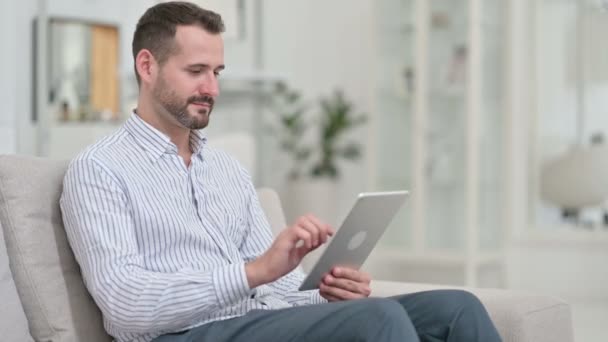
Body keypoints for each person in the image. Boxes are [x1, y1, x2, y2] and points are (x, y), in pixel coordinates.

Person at [60, 2, 502, 342]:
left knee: (456, 308)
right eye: (195, 71)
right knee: (379, 320)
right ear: (147, 66)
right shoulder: (99, 170)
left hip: (258, 320)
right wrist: (252, 272)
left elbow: (281, 287)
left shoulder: (226, 169)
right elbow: (124, 306)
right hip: (184, 335)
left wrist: (326, 292)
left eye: (216, 72)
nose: (211, 89)